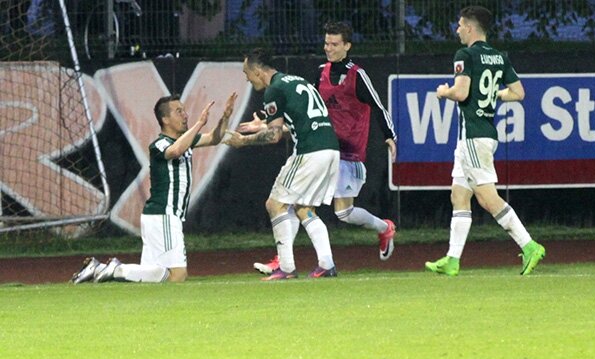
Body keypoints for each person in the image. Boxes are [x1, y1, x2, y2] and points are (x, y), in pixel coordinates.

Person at [254, 20, 398, 277]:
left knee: (343, 212)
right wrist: (268, 122)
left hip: (348, 153)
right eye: (326, 43)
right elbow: (304, 110)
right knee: (294, 202)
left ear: (347, 46)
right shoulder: (320, 72)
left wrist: (389, 135)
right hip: (322, 148)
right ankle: (285, 260)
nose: (328, 48)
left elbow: (378, 105)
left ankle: (384, 228)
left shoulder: (357, 74)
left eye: (334, 44)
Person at [425, 6, 545, 277]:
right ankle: (452, 259)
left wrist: (444, 91)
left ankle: (529, 246)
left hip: (473, 136)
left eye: (459, 25)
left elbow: (461, 92)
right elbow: (519, 93)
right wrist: (494, 95)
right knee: (459, 195)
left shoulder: (464, 55)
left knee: (487, 198)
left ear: (469, 28)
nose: (457, 30)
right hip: (481, 135)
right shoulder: (499, 57)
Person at [70, 91, 237, 284]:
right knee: (178, 275)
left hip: (158, 217)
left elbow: (214, 138)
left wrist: (225, 117)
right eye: (178, 111)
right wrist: (199, 123)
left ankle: (100, 268)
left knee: (154, 277)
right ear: (165, 119)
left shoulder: (186, 141)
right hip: (163, 214)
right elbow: (175, 151)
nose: (185, 115)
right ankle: (116, 269)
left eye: (184, 110)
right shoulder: (159, 144)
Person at [225, 48, 340, 280]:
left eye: (247, 73)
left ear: (258, 71)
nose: (247, 78)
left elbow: (274, 135)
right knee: (304, 208)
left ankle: (286, 268)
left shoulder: (274, 89)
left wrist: (243, 141)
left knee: (275, 204)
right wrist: (263, 126)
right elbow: (297, 125)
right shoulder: (296, 81)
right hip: (330, 149)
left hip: (309, 152)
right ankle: (326, 265)